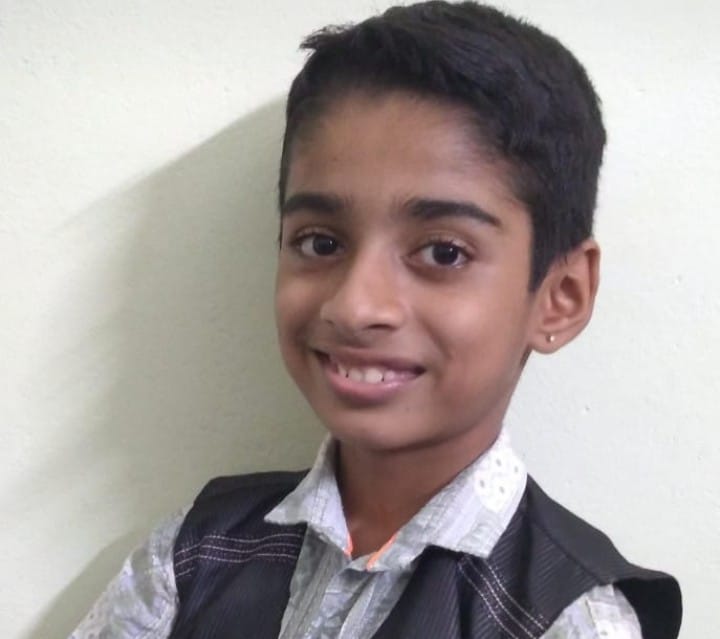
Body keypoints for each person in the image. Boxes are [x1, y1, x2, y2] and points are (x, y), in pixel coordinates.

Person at [70, 2, 682, 638]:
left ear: (561, 295)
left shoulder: (568, 617)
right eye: (321, 242)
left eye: (443, 253)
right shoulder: (193, 553)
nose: (355, 306)